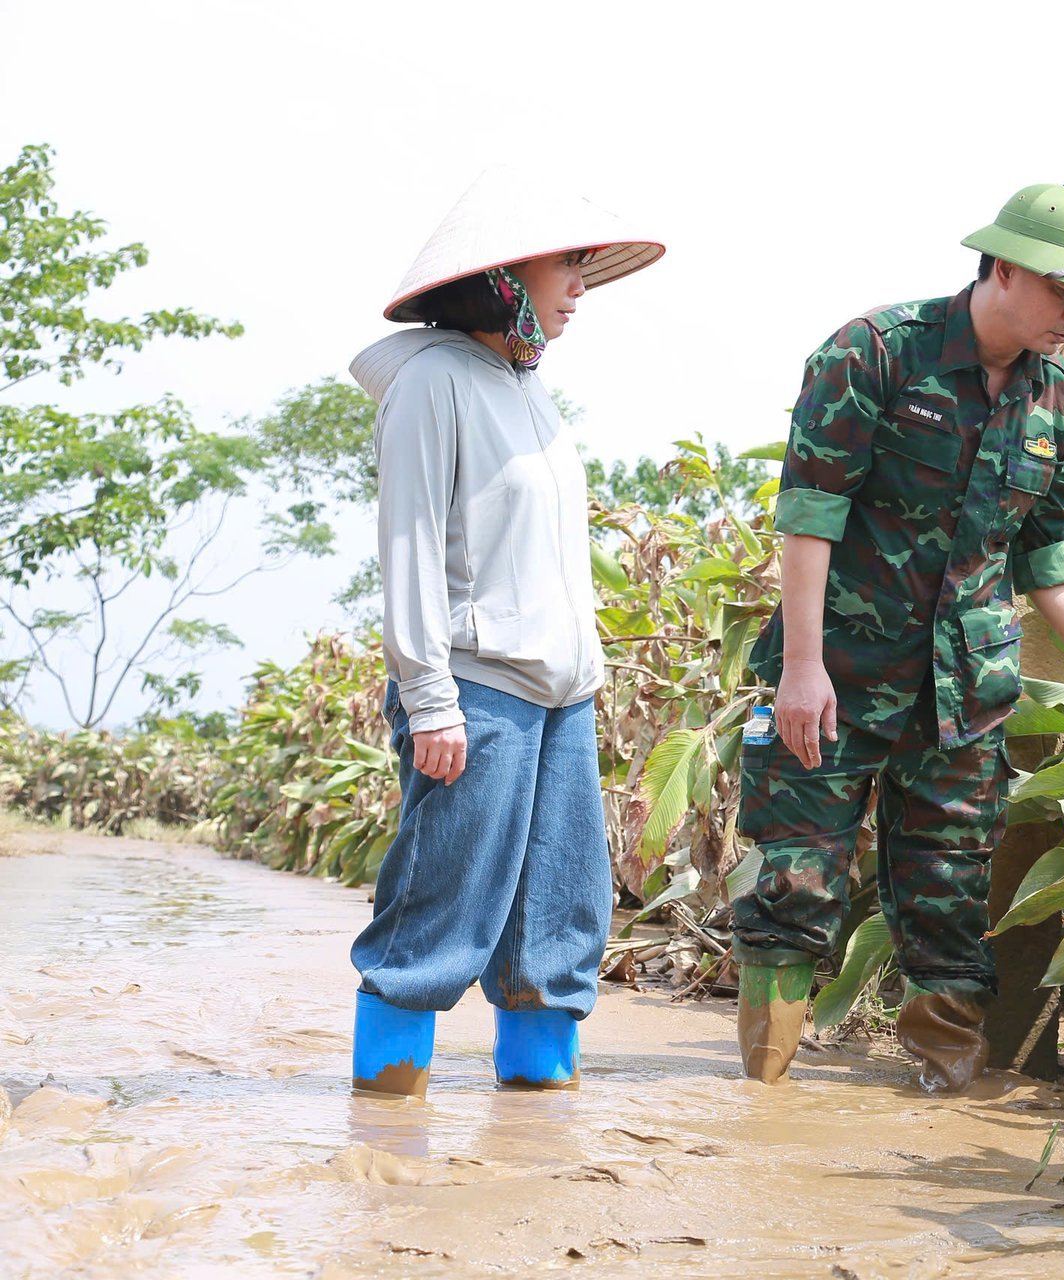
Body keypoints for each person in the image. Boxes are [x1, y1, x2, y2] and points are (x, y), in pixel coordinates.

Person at [732, 182, 1064, 1092]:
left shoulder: (1058, 405)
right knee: (795, 883)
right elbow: (811, 514)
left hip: (962, 702)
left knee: (949, 906)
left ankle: (942, 1098)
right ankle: (762, 1102)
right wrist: (801, 668)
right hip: (837, 678)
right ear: (1004, 267)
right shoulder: (874, 354)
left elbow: (1050, 564)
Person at [344, 169, 664, 1097]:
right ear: (502, 274)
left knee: (559, 921)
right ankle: (386, 1114)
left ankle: (536, 1119)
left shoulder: (528, 389)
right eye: (567, 266)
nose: (580, 287)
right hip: (474, 690)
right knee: (440, 908)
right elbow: (409, 547)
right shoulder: (432, 381)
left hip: (563, 697)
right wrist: (428, 698)